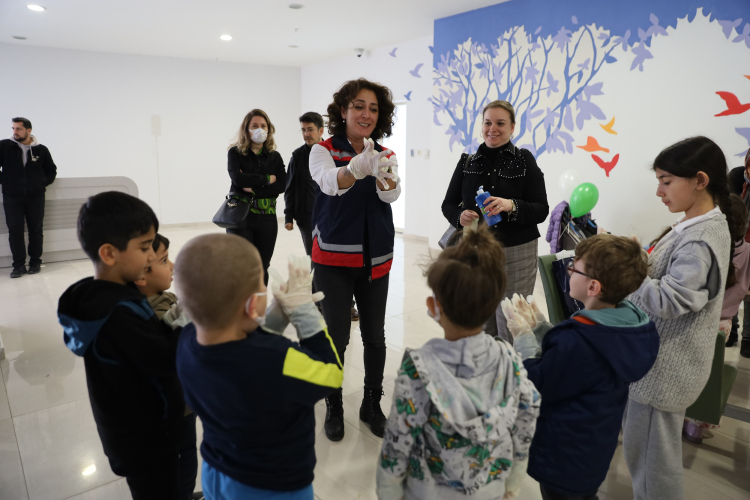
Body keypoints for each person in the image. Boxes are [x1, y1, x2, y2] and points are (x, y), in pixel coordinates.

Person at [376, 225, 540, 500]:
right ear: (494, 305)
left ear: (433, 307)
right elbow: (526, 418)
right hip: (489, 491)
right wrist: (512, 482)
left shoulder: (417, 369)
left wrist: (388, 493)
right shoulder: (510, 360)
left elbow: (397, 442)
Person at [174, 234, 342, 500]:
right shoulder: (277, 359)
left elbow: (243, 344)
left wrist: (278, 313)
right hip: (273, 486)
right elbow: (331, 374)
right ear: (253, 305)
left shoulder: (186, 342)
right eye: (263, 286)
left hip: (216, 471)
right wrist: (304, 311)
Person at [502, 234, 659, 500]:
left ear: (593, 287)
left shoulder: (579, 340)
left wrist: (524, 342)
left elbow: (539, 382)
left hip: (563, 455)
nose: (569, 271)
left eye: (574, 267)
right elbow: (575, 366)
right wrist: (542, 330)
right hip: (592, 449)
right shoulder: (626, 328)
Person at [625, 136, 733, 499]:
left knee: (654, 465)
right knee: (648, 458)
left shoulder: (700, 237)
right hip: (662, 364)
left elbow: (671, 301)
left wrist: (628, 272)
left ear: (700, 180)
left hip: (664, 371)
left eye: (666, 181)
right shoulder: (697, 225)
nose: (659, 191)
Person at [58, 192, 184, 500]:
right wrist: (184, 323)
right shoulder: (116, 314)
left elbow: (148, 344)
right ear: (110, 254)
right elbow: (165, 361)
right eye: (144, 248)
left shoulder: (106, 296)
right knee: (158, 490)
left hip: (130, 432)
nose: (151, 257)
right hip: (144, 438)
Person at [309, 78, 400, 442]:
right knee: (337, 336)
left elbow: (390, 196)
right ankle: (333, 404)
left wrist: (385, 179)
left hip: (376, 258)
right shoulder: (323, 150)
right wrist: (356, 168)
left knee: (375, 336)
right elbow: (329, 182)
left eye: (373, 108)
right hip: (333, 259)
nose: (366, 114)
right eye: (359, 106)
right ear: (343, 111)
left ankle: (372, 403)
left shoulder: (385, 153)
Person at [441, 100, 548, 342]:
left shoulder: (524, 160)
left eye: (500, 123)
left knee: (512, 324)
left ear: (512, 127)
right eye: (488, 123)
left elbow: (541, 210)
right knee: (481, 321)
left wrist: (511, 205)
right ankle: (489, 364)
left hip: (517, 253)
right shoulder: (467, 162)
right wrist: (460, 216)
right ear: (482, 126)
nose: (493, 129)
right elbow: (448, 205)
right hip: (477, 253)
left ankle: (513, 366)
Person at [133, 233, 200, 500]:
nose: (172, 266)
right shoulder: (153, 313)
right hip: (175, 408)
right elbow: (178, 339)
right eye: (164, 261)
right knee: (184, 460)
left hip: (180, 402)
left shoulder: (161, 297)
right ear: (141, 276)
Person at [682, 194, 750, 443]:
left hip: (699, 319)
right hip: (724, 323)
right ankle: (696, 426)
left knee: (689, 371)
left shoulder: (708, 247)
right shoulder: (747, 251)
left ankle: (682, 416)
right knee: (709, 377)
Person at [285, 111, 359, 321]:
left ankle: (347, 304)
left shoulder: (332, 153)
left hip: (332, 217)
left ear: (320, 130)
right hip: (307, 219)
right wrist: (288, 216)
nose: (306, 134)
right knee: (317, 262)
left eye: (310, 130)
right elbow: (290, 188)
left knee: (341, 261)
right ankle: (320, 303)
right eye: (303, 130)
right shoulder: (297, 156)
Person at [226, 109, 286, 285]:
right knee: (244, 266)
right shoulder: (235, 153)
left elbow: (282, 185)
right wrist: (267, 179)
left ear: (269, 129)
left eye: (263, 126)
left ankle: (259, 301)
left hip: (267, 219)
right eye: (254, 126)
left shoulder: (275, 157)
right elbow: (237, 178)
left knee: (262, 266)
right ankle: (241, 302)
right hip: (241, 217)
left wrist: (253, 189)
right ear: (246, 129)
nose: (259, 129)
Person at [0, 117, 57, 278]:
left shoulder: (41, 150)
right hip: (12, 196)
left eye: (19, 129)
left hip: (35, 196)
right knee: (15, 230)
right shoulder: (4, 146)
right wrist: (6, 181)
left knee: (36, 229)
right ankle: (18, 265)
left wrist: (41, 183)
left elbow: (51, 170)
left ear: (28, 130)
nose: (15, 132)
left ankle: (35, 262)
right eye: (13, 128)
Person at [726, 148, 750, 355]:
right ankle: (730, 330)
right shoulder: (736, 177)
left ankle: (748, 338)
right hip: (737, 241)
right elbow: (730, 209)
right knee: (731, 285)